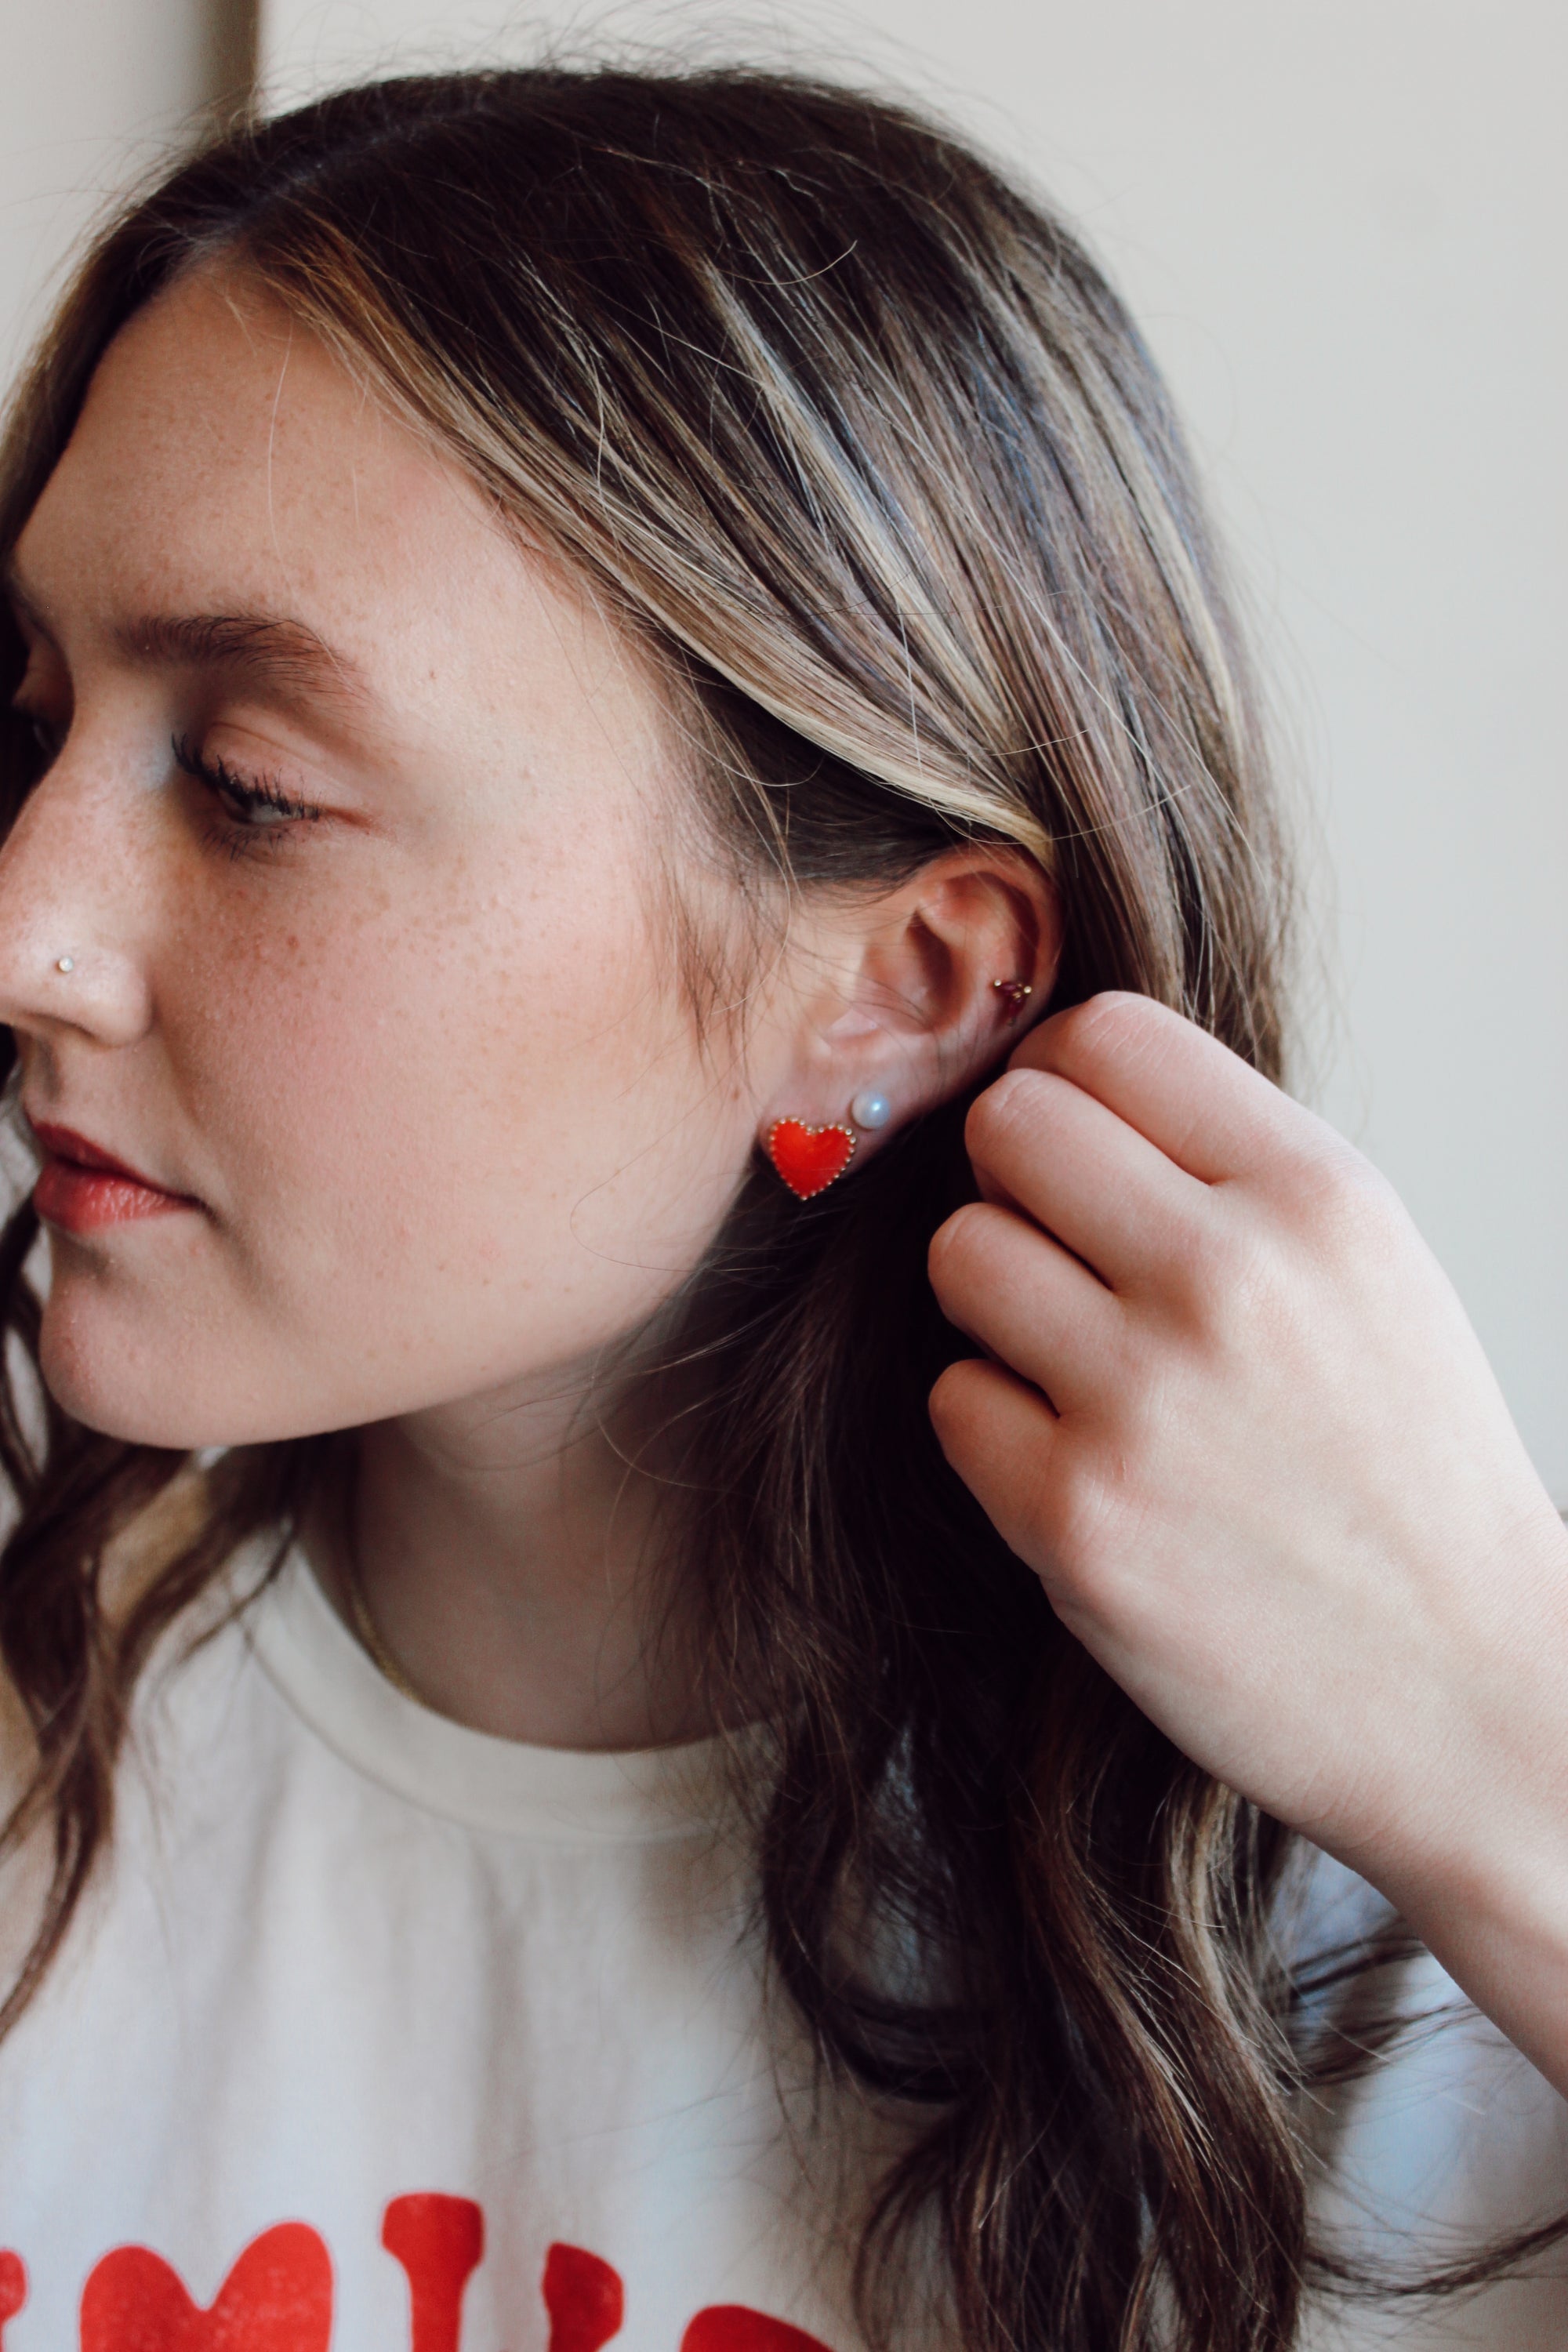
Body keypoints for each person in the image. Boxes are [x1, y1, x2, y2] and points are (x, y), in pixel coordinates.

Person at [0, 63, 1563, 2352]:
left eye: (250, 787)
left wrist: (1510, 1732)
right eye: (23, 718)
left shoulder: (1382, 1978)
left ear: (900, 988)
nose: (25, 921)